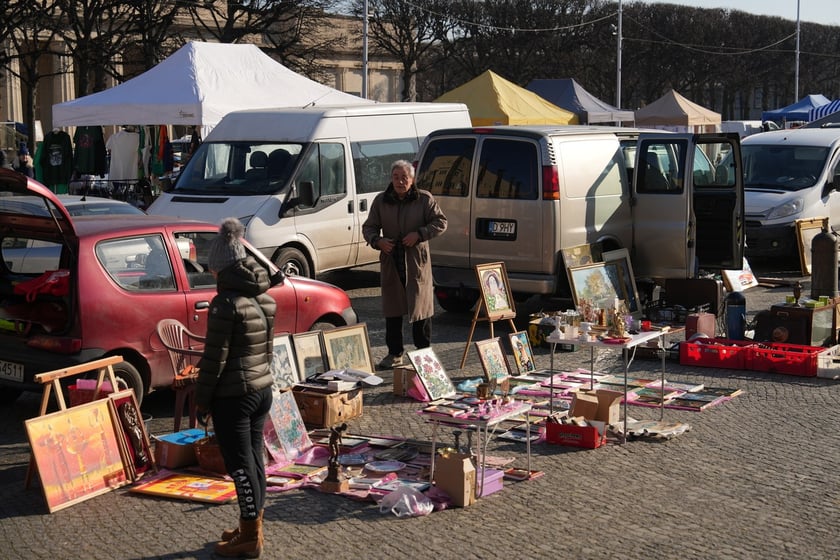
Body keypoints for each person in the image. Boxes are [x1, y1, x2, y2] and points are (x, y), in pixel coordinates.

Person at [195, 217, 276, 559]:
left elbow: (215, 360)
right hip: (261, 390)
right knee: (254, 459)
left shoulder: (225, 304)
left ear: (221, 268)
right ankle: (252, 527)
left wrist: (201, 402)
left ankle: (249, 537)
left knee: (239, 465)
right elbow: (267, 350)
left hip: (235, 396)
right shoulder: (265, 299)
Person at [362, 159, 447, 369]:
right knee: (393, 311)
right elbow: (369, 228)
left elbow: (440, 222)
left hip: (415, 262)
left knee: (420, 311)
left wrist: (419, 234)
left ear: (412, 179)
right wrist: (378, 241)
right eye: (396, 177)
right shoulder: (381, 201)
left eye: (404, 177)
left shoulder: (424, 199)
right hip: (392, 261)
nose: (400, 181)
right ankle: (394, 353)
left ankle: (424, 355)